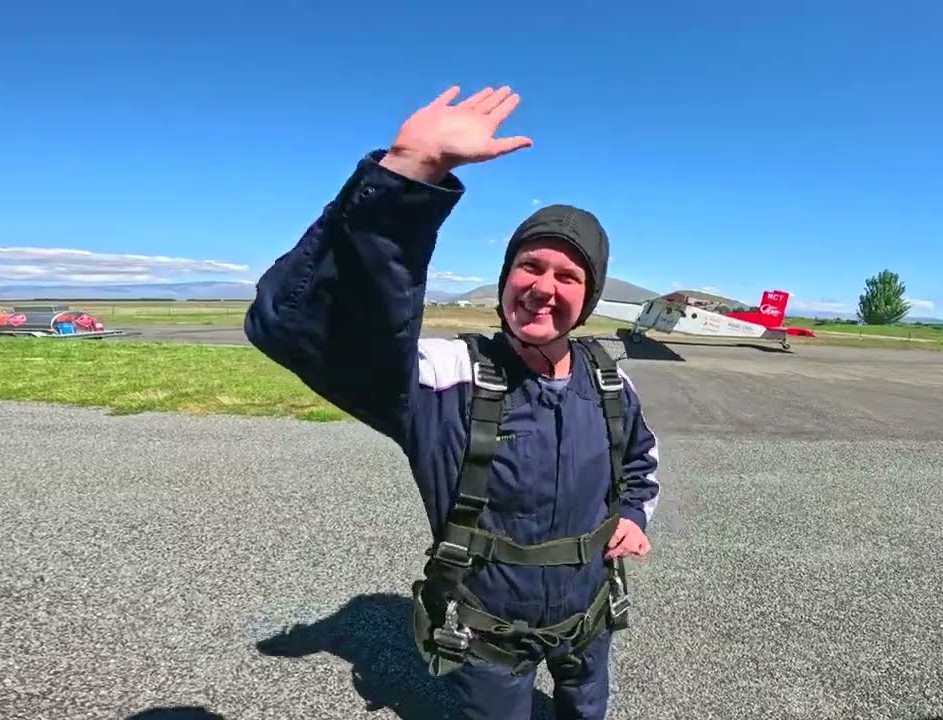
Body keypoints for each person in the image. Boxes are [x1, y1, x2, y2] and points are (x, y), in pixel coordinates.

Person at [244, 85, 662, 720]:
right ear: (504, 280)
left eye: (569, 276)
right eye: (529, 266)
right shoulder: (447, 374)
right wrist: (409, 173)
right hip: (488, 636)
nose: (544, 288)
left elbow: (640, 461)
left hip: (590, 621)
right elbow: (303, 328)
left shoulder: (610, 383)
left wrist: (633, 512)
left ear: (589, 297)